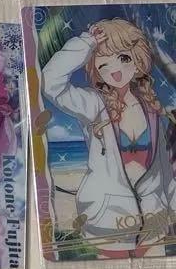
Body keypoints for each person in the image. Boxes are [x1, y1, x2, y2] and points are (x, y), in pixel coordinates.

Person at [41, 17, 176, 256]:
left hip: (154, 217)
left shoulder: (152, 108)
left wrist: (172, 207)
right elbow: (50, 82)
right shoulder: (93, 104)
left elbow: (164, 168)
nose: (114, 70)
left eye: (123, 58)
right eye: (103, 64)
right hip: (108, 216)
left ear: (137, 58)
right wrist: (86, 43)